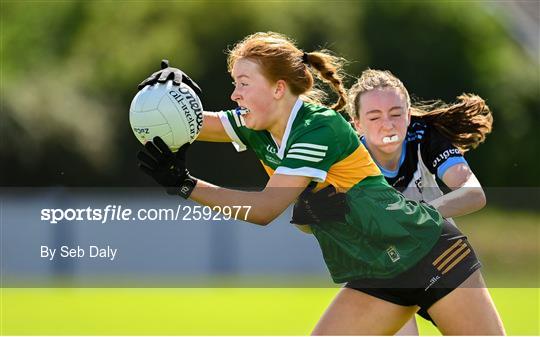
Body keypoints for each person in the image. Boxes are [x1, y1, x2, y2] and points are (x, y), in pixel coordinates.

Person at [136, 32, 505, 335]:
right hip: (376, 270)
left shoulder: (317, 127)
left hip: (428, 253)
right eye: (236, 85)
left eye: (244, 84)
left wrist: (185, 184)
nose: (235, 95)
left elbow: (265, 209)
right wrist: (165, 96)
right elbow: (194, 122)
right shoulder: (258, 126)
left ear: (279, 90)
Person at [290, 69, 494, 335]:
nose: (387, 124)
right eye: (374, 117)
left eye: (396, 114)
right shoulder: (343, 159)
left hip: (438, 257)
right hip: (381, 269)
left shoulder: (424, 137)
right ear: (357, 124)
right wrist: (307, 215)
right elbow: (306, 223)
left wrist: (411, 215)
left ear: (408, 116)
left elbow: (473, 194)